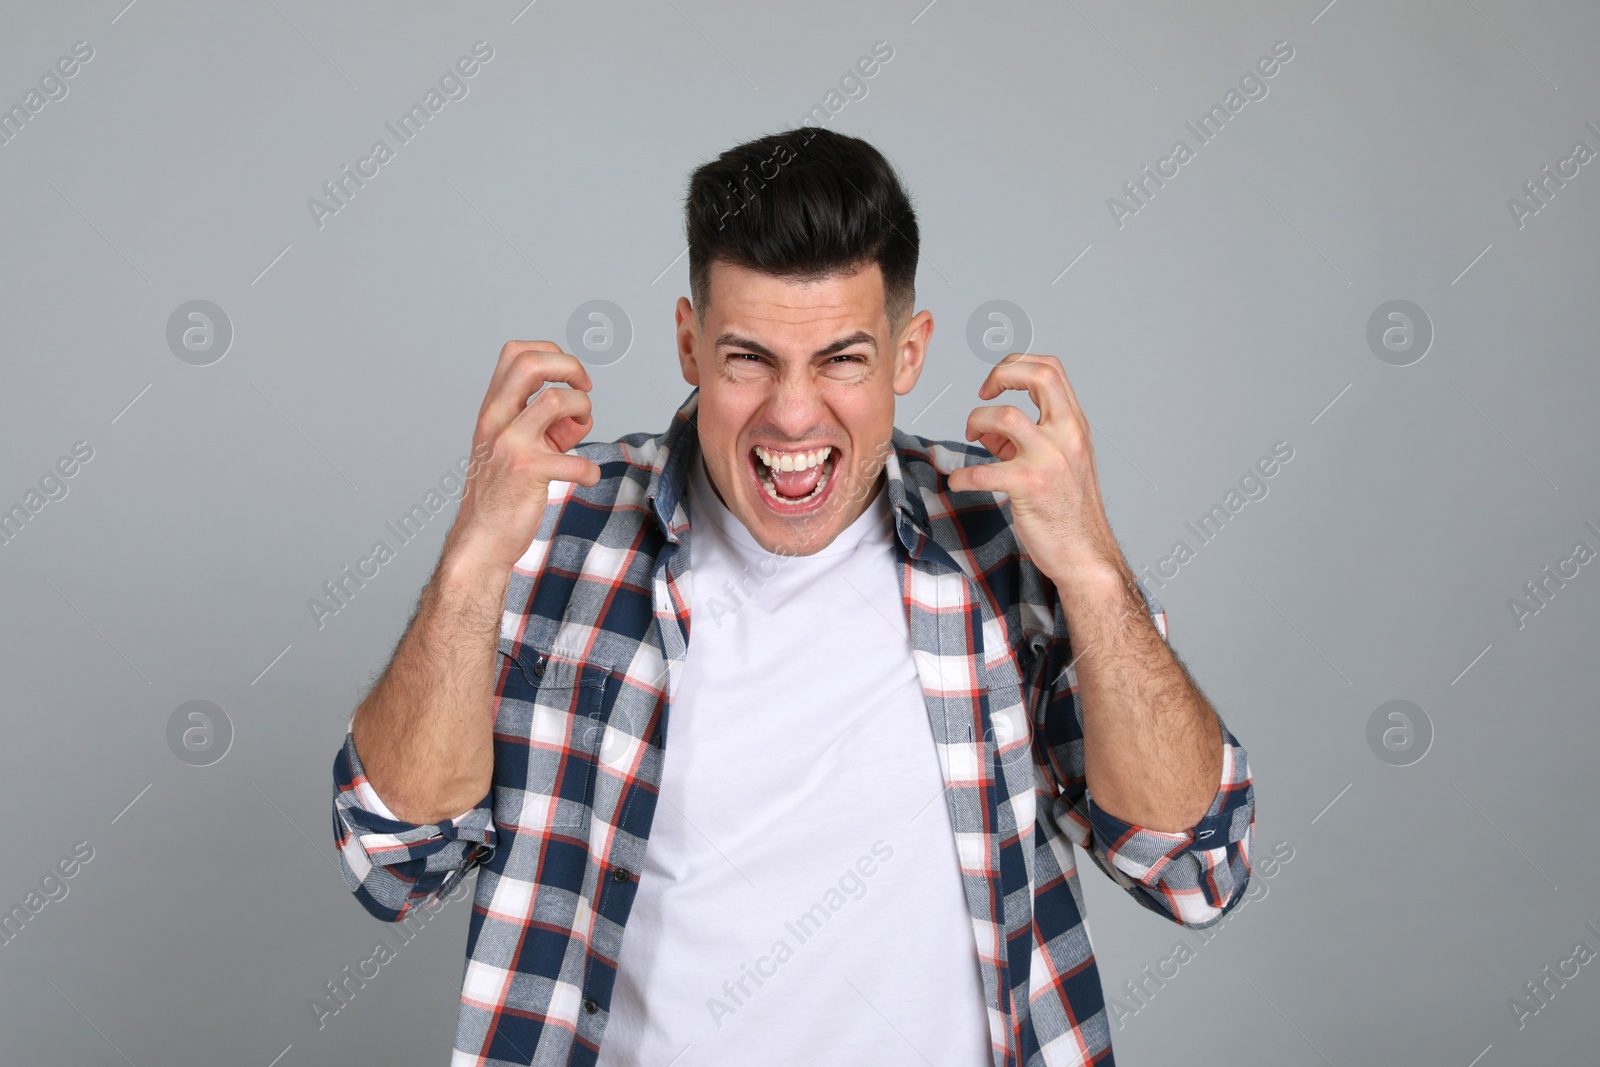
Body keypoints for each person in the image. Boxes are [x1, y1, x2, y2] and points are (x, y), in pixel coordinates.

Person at [331, 126, 1254, 1066]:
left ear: (907, 354)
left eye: (842, 360)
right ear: (690, 344)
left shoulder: (1007, 534)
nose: (794, 413)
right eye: (749, 358)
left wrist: (1095, 573)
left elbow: (1195, 867)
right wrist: (471, 563)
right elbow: (392, 859)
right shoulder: (559, 530)